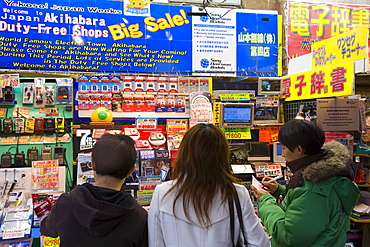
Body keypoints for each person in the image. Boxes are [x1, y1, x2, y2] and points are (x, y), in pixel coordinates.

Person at [148, 123, 269, 247]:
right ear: (222, 156)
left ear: (184, 155)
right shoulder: (237, 193)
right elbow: (260, 243)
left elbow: (155, 242)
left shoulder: (162, 193)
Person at [252, 119, 360, 247]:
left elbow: (289, 237)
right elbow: (306, 207)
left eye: (284, 148)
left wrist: (266, 201)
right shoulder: (322, 175)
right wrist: (279, 191)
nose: (282, 153)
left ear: (299, 149)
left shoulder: (313, 189)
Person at [41, 134, 148, 247]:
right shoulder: (139, 217)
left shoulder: (65, 204)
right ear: (131, 170)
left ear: (92, 164)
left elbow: (46, 229)